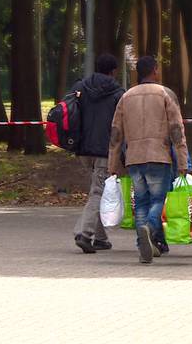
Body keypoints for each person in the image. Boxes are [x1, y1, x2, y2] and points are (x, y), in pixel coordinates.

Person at [109, 55, 189, 264]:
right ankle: (151, 227)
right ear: (154, 70)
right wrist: (182, 161)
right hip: (158, 156)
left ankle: (142, 244)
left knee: (141, 202)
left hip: (134, 158)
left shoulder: (126, 97)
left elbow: (116, 133)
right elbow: (176, 130)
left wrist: (113, 164)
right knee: (158, 199)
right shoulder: (164, 93)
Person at [72, 53, 126, 254]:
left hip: (83, 149)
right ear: (113, 71)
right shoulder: (118, 93)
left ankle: (101, 239)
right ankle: (83, 233)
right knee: (98, 192)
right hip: (105, 150)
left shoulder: (81, 87)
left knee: (97, 190)